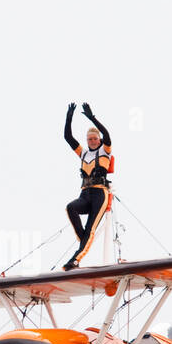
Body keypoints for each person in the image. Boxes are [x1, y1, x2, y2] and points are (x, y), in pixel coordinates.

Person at [62, 101, 112, 271]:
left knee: (91, 228)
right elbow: (68, 138)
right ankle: (84, 240)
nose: (92, 141)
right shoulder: (83, 152)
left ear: (99, 140)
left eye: (94, 138)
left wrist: (93, 119)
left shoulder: (105, 150)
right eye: (89, 139)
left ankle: (75, 260)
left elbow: (106, 133)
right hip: (85, 194)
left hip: (100, 195)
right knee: (71, 208)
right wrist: (68, 119)